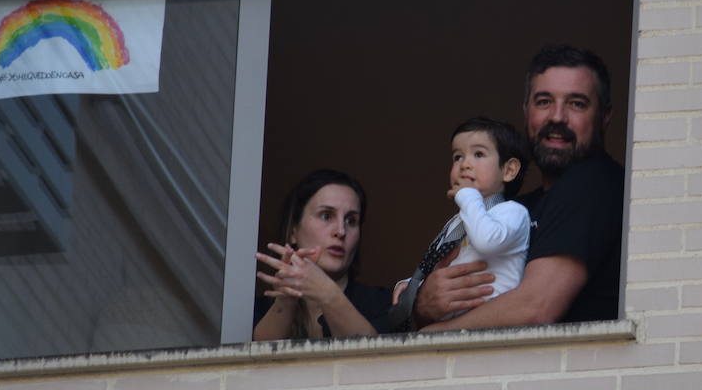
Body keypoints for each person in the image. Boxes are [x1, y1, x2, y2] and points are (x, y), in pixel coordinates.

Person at [414, 46, 624, 331]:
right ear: (526, 111)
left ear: (605, 116)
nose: (557, 117)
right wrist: (423, 303)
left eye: (576, 103)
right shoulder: (515, 207)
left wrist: (428, 335)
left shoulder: (596, 183)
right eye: (544, 101)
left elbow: (535, 308)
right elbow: (442, 285)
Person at [388, 116, 531, 328]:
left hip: (494, 324)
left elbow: (487, 241)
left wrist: (467, 196)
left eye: (479, 154)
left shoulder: (513, 212)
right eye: (457, 157)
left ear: (508, 170)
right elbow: (448, 262)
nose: (464, 165)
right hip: (456, 327)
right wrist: (413, 285)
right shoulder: (460, 220)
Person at [252, 169, 390, 341]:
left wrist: (327, 292)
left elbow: (375, 360)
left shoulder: (381, 303)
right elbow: (258, 363)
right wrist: (286, 301)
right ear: (293, 231)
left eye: (351, 221)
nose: (341, 231)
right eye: (326, 216)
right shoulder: (256, 310)